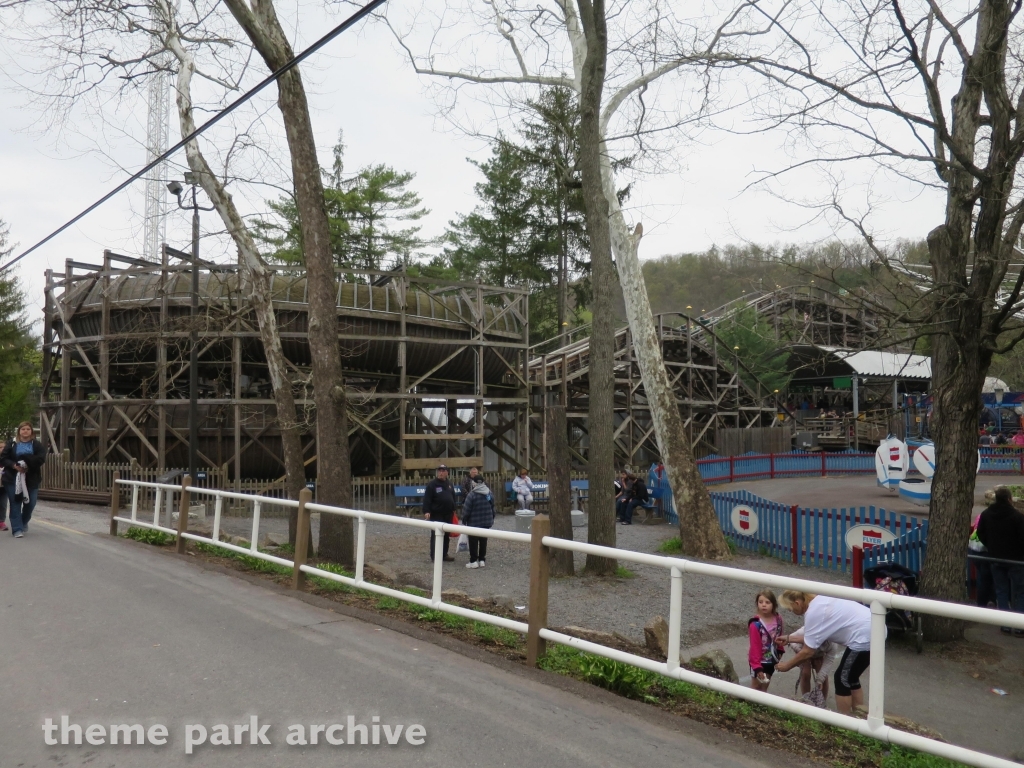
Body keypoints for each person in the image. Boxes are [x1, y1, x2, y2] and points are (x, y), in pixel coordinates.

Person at [776, 591, 874, 715]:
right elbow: (810, 637)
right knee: (851, 678)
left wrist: (787, 666)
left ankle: (845, 723)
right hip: (874, 626)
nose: (790, 612)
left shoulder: (813, 612)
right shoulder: (820, 601)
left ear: (797, 603)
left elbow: (807, 651)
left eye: (790, 608)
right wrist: (789, 638)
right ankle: (859, 717)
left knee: (841, 678)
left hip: (863, 635)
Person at [975, 486, 1024, 635]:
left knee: (1001, 590)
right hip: (1016, 560)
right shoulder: (1017, 517)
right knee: (1020, 591)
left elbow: (980, 533)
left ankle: (1005, 623)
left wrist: (990, 545)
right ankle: (1020, 624)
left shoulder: (986, 514)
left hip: (995, 557)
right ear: (1009, 499)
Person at [1, 421, 46, 538]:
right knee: (15, 502)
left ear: (31, 431)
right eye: (23, 429)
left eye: (27, 429)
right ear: (19, 431)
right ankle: (17, 529)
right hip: (12, 478)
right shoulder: (12, 444)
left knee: (31, 503)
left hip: (31, 478)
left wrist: (28, 464)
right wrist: (14, 465)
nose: (25, 431)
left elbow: (41, 459)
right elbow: (3, 458)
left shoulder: (36, 445)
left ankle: (23, 521)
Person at [783, 626, 836, 707]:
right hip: (803, 650)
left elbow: (829, 661)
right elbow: (791, 640)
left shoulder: (833, 643)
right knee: (805, 672)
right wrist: (801, 653)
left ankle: (822, 702)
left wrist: (819, 680)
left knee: (823, 677)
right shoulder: (803, 632)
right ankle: (806, 699)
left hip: (819, 654)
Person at [748, 589, 785, 692]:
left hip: (771, 659)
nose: (764, 605)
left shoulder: (778, 619)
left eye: (767, 602)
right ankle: (750, 705)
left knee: (765, 686)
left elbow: (779, 635)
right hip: (758, 661)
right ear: (757, 604)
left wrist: (780, 650)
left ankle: (760, 707)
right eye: (761, 602)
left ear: (773, 604)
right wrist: (757, 667)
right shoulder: (755, 624)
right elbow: (754, 646)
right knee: (755, 687)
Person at [422, 463, 456, 562]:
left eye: (443, 471)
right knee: (436, 536)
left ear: (447, 473)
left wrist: (454, 508)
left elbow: (452, 497)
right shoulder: (432, 485)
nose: (441, 473)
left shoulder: (449, 484)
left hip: (448, 514)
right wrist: (426, 511)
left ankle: (444, 554)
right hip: (437, 514)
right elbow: (427, 499)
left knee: (446, 536)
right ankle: (435, 556)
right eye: (439, 471)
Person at [460, 479, 495, 569]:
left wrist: (464, 520)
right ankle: (482, 560)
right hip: (486, 521)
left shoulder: (472, 495)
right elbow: (493, 507)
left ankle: (473, 561)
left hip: (474, 522)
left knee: (473, 542)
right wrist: (492, 518)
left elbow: (466, 510)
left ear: (474, 483)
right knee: (483, 541)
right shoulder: (489, 493)